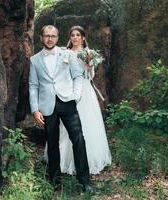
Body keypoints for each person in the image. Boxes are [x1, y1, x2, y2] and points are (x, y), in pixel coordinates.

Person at [29, 25, 93, 193]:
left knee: (78, 139)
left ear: (57, 38)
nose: (50, 39)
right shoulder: (34, 60)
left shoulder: (68, 54)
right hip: (47, 107)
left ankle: (84, 181)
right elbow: (33, 86)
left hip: (67, 102)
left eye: (53, 36)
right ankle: (55, 181)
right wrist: (35, 109)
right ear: (41, 38)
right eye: (47, 36)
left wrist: (76, 95)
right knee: (52, 144)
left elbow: (78, 76)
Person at [55, 25, 112, 175]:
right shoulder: (65, 53)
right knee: (66, 125)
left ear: (83, 38)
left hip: (85, 90)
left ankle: (88, 160)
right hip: (68, 89)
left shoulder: (88, 53)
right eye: (72, 35)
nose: (74, 38)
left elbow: (91, 75)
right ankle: (63, 160)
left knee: (86, 123)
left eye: (77, 35)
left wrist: (89, 64)